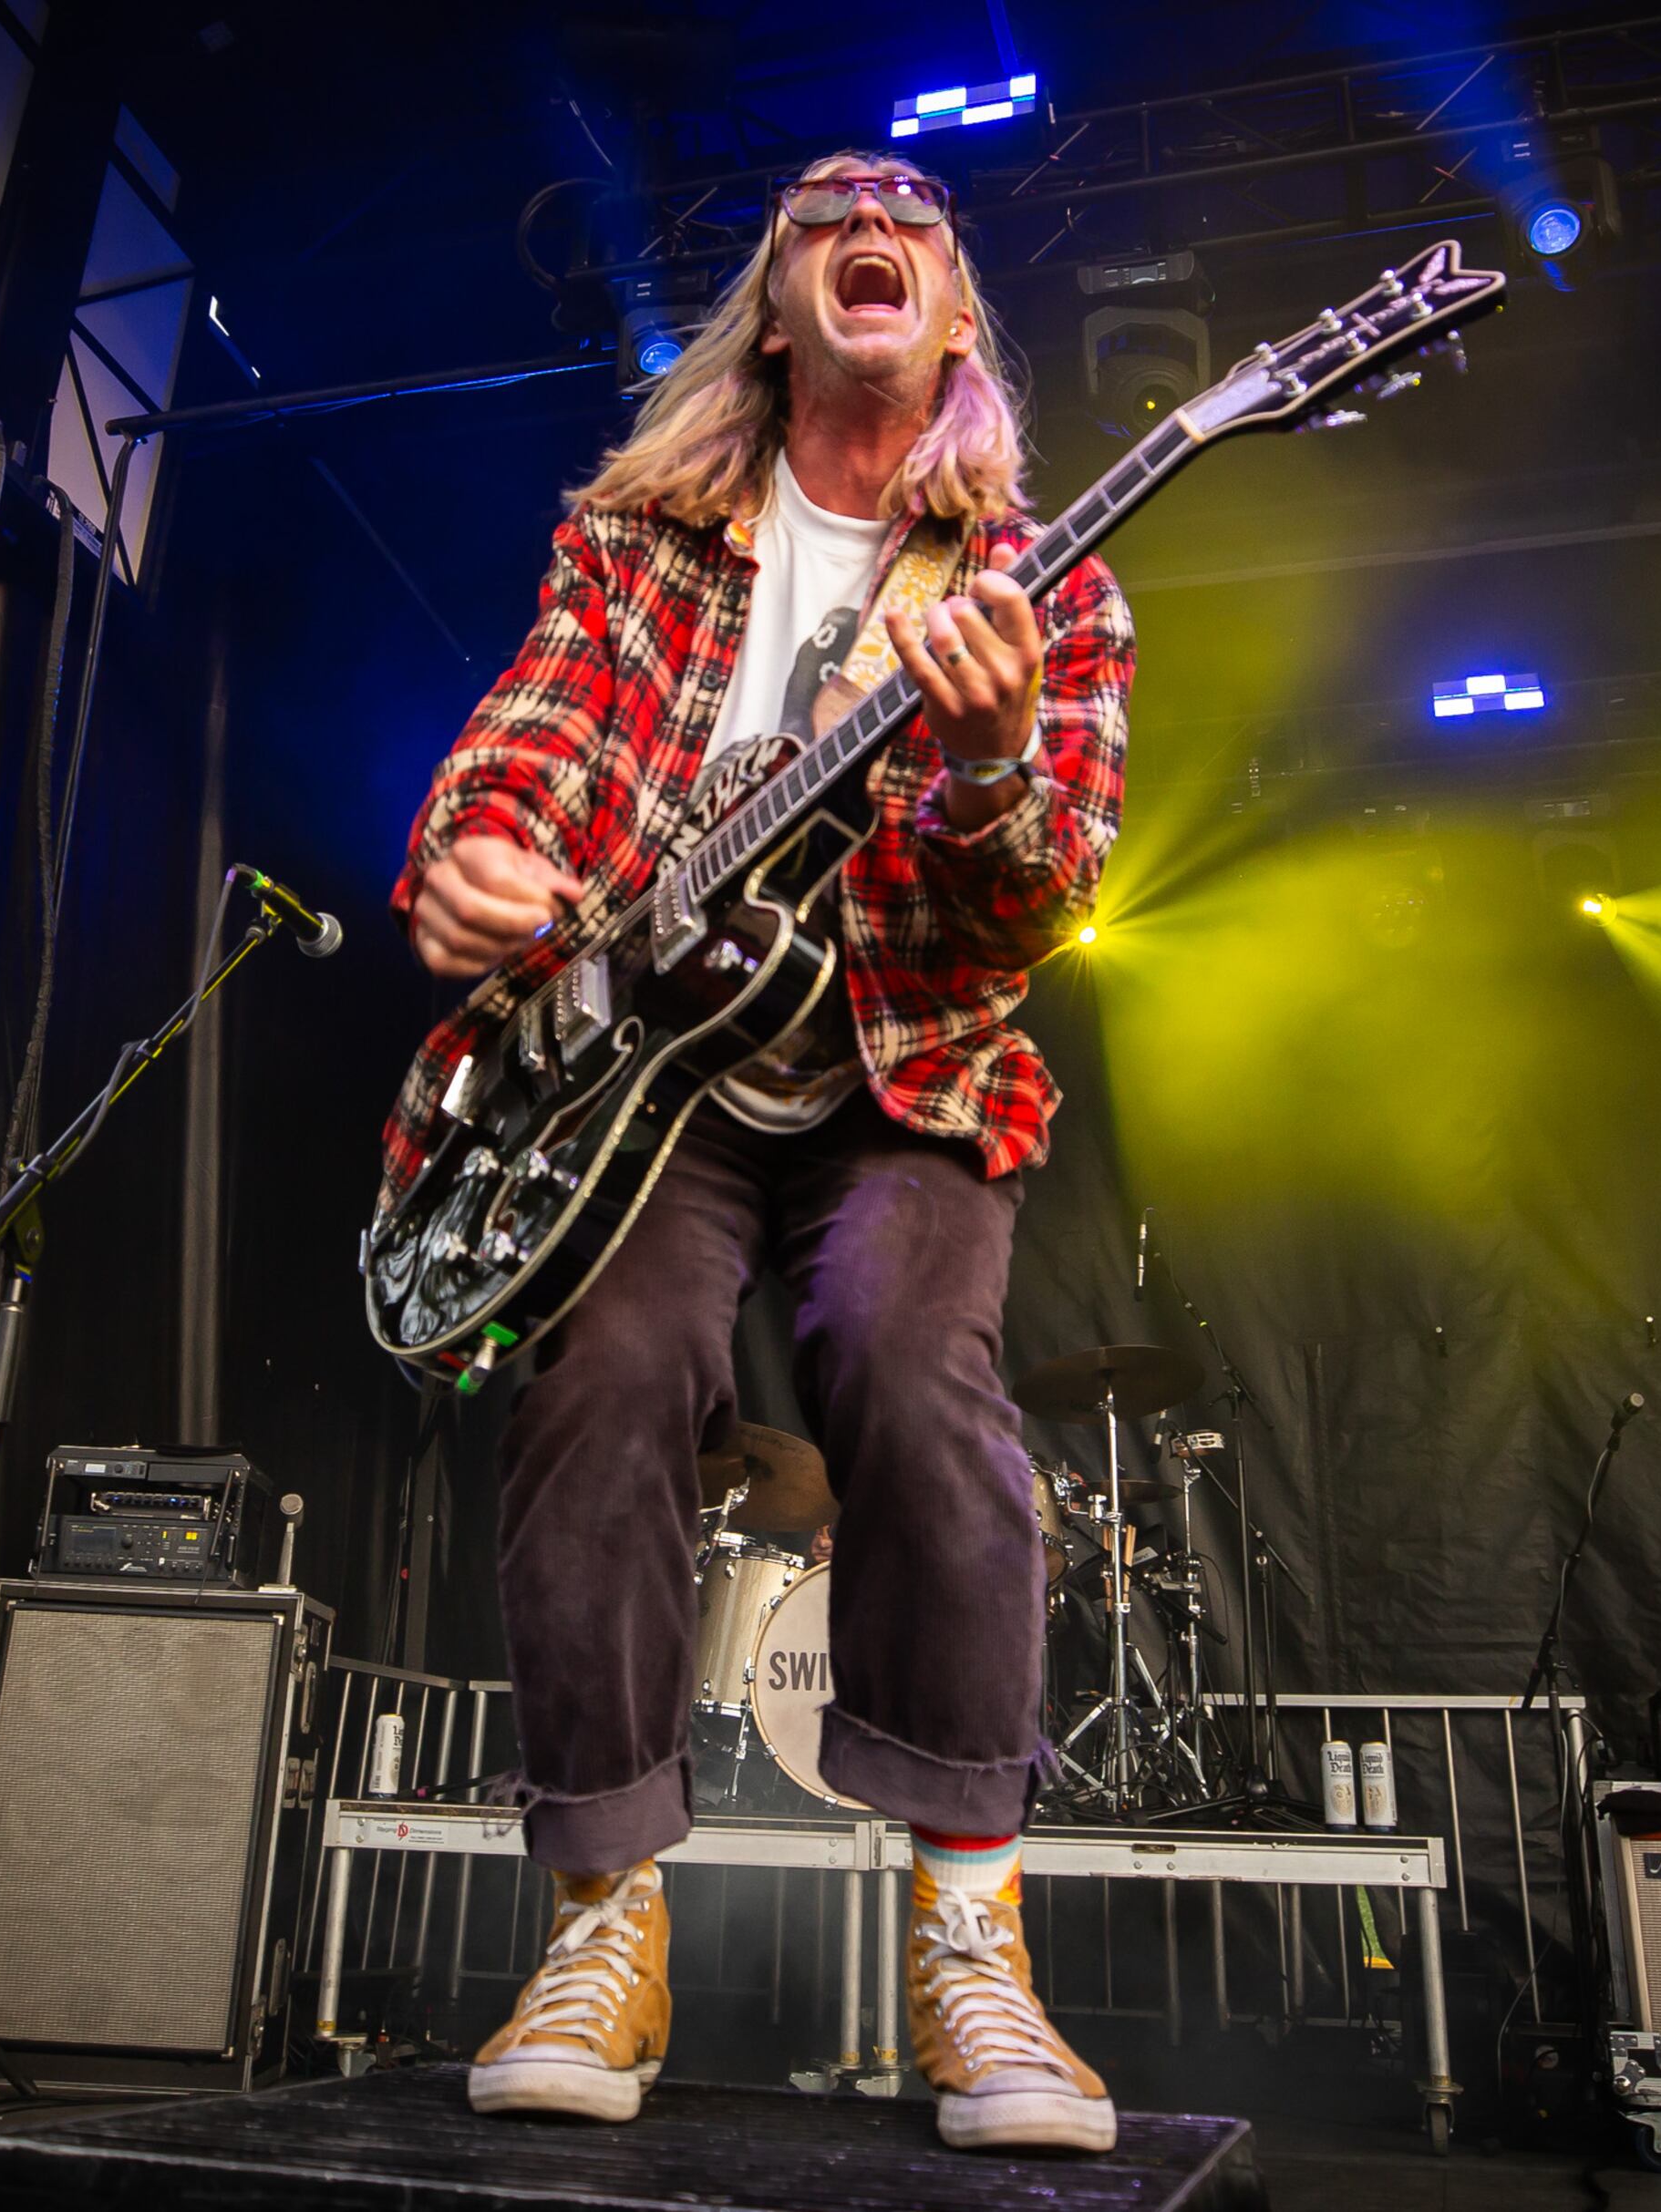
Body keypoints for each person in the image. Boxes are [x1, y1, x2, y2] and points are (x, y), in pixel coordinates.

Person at [384, 149, 1132, 2153]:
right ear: (782, 307)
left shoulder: (1041, 581)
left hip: (903, 1071)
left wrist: (983, 773)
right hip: (650, 1095)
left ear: (954, 317)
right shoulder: (638, 540)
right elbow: (527, 739)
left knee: (911, 1357)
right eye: (819, 217)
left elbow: (1030, 906)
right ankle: (601, 1922)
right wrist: (478, 854)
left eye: (910, 220)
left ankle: (975, 1944)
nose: (864, 221)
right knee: (605, 1376)